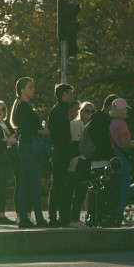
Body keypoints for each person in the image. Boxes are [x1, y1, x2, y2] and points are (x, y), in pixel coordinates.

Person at [10, 77, 49, 229]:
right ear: (22, 90)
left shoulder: (22, 106)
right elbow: (25, 130)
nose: (33, 89)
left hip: (25, 146)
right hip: (27, 146)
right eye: (30, 87)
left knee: (25, 183)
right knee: (33, 183)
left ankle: (26, 218)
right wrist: (42, 131)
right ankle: (38, 218)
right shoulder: (23, 107)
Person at [84, 95, 118, 226]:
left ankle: (93, 217)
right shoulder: (102, 121)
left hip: (95, 159)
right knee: (103, 191)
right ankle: (98, 217)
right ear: (110, 107)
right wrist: (111, 151)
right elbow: (102, 142)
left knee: (95, 190)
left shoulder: (95, 119)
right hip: (102, 159)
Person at [109, 98, 134, 222]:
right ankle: (119, 216)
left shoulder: (111, 123)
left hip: (114, 157)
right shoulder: (122, 124)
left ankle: (113, 214)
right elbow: (124, 143)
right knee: (123, 189)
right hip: (123, 158)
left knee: (115, 189)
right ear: (122, 110)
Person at [47, 83, 76, 226]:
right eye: (70, 93)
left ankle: (61, 217)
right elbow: (57, 133)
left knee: (61, 186)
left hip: (62, 152)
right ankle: (53, 218)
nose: (72, 96)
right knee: (58, 185)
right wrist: (69, 140)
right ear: (64, 94)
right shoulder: (59, 110)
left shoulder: (61, 110)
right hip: (60, 152)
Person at [68, 101, 95, 227]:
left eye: (91, 111)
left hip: (88, 161)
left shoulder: (92, 126)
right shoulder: (75, 124)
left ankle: (87, 217)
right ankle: (74, 218)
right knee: (78, 191)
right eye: (86, 110)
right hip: (77, 160)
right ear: (81, 111)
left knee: (85, 191)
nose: (88, 113)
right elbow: (75, 142)